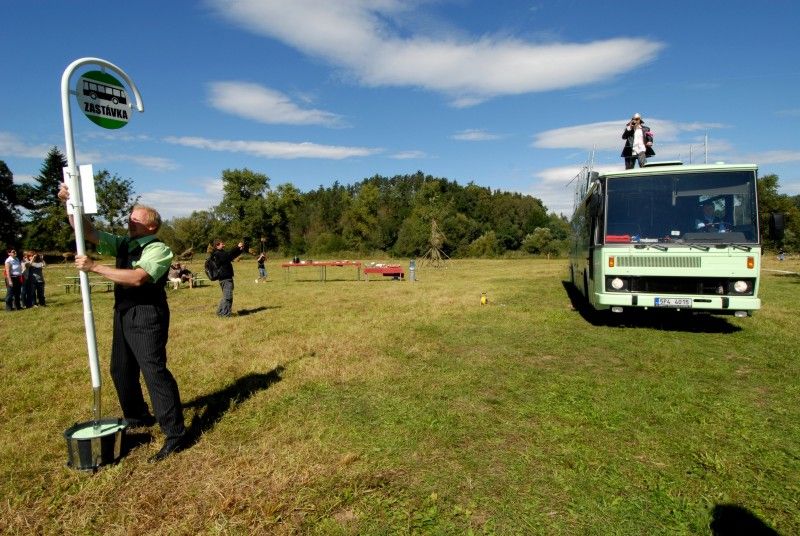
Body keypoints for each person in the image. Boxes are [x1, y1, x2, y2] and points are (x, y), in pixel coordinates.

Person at [58, 183, 186, 462]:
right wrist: (72, 204)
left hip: (147, 313)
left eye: (136, 218)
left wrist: (94, 267)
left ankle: (175, 433)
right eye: (130, 217)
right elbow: (88, 232)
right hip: (124, 312)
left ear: (152, 226)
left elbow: (138, 278)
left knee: (153, 371)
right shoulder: (124, 243)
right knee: (121, 369)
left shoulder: (159, 249)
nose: (130, 220)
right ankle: (138, 416)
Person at [210, 239, 244, 317]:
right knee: (228, 297)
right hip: (225, 278)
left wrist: (239, 250)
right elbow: (228, 255)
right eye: (222, 244)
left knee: (226, 296)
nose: (224, 245)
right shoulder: (217, 254)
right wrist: (237, 247)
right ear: (217, 245)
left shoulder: (220, 253)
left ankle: (220, 312)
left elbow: (230, 256)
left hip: (225, 277)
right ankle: (225, 314)